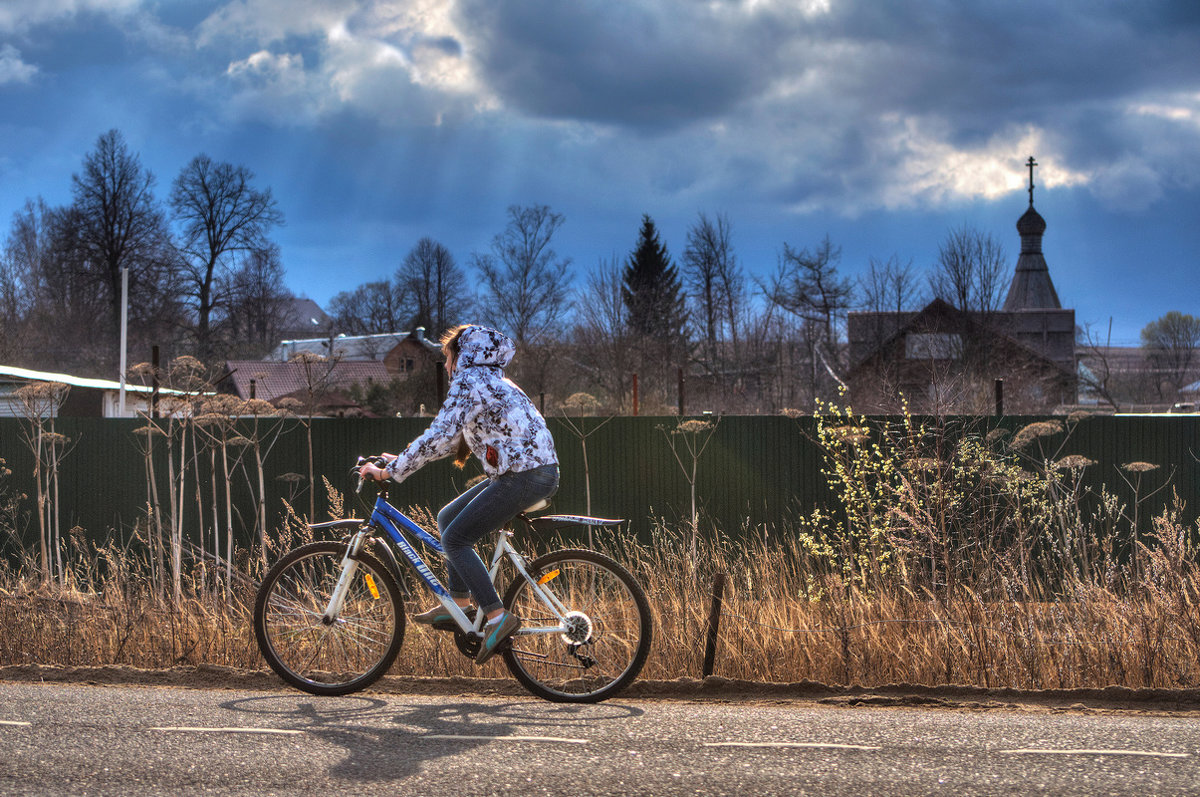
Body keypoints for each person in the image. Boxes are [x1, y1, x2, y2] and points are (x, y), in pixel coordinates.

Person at [358, 324, 559, 664]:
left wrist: (390, 472)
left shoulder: (471, 381)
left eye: (446, 356)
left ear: (460, 354)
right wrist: (402, 459)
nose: (447, 364)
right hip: (531, 472)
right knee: (448, 517)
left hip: (523, 476)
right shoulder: (494, 381)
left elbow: (440, 433)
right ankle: (459, 606)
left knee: (455, 540)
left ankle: (497, 617)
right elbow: (451, 439)